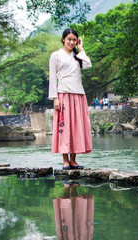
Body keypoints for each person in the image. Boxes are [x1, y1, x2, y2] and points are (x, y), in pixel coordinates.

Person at [48, 28, 92, 170]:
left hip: (78, 94)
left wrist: (81, 49)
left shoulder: (77, 56)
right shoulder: (56, 55)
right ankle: (65, 160)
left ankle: (74, 160)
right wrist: (55, 98)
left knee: (76, 127)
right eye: (69, 39)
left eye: (74, 40)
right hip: (63, 94)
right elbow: (52, 77)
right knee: (65, 127)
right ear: (63, 39)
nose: (71, 42)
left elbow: (88, 65)